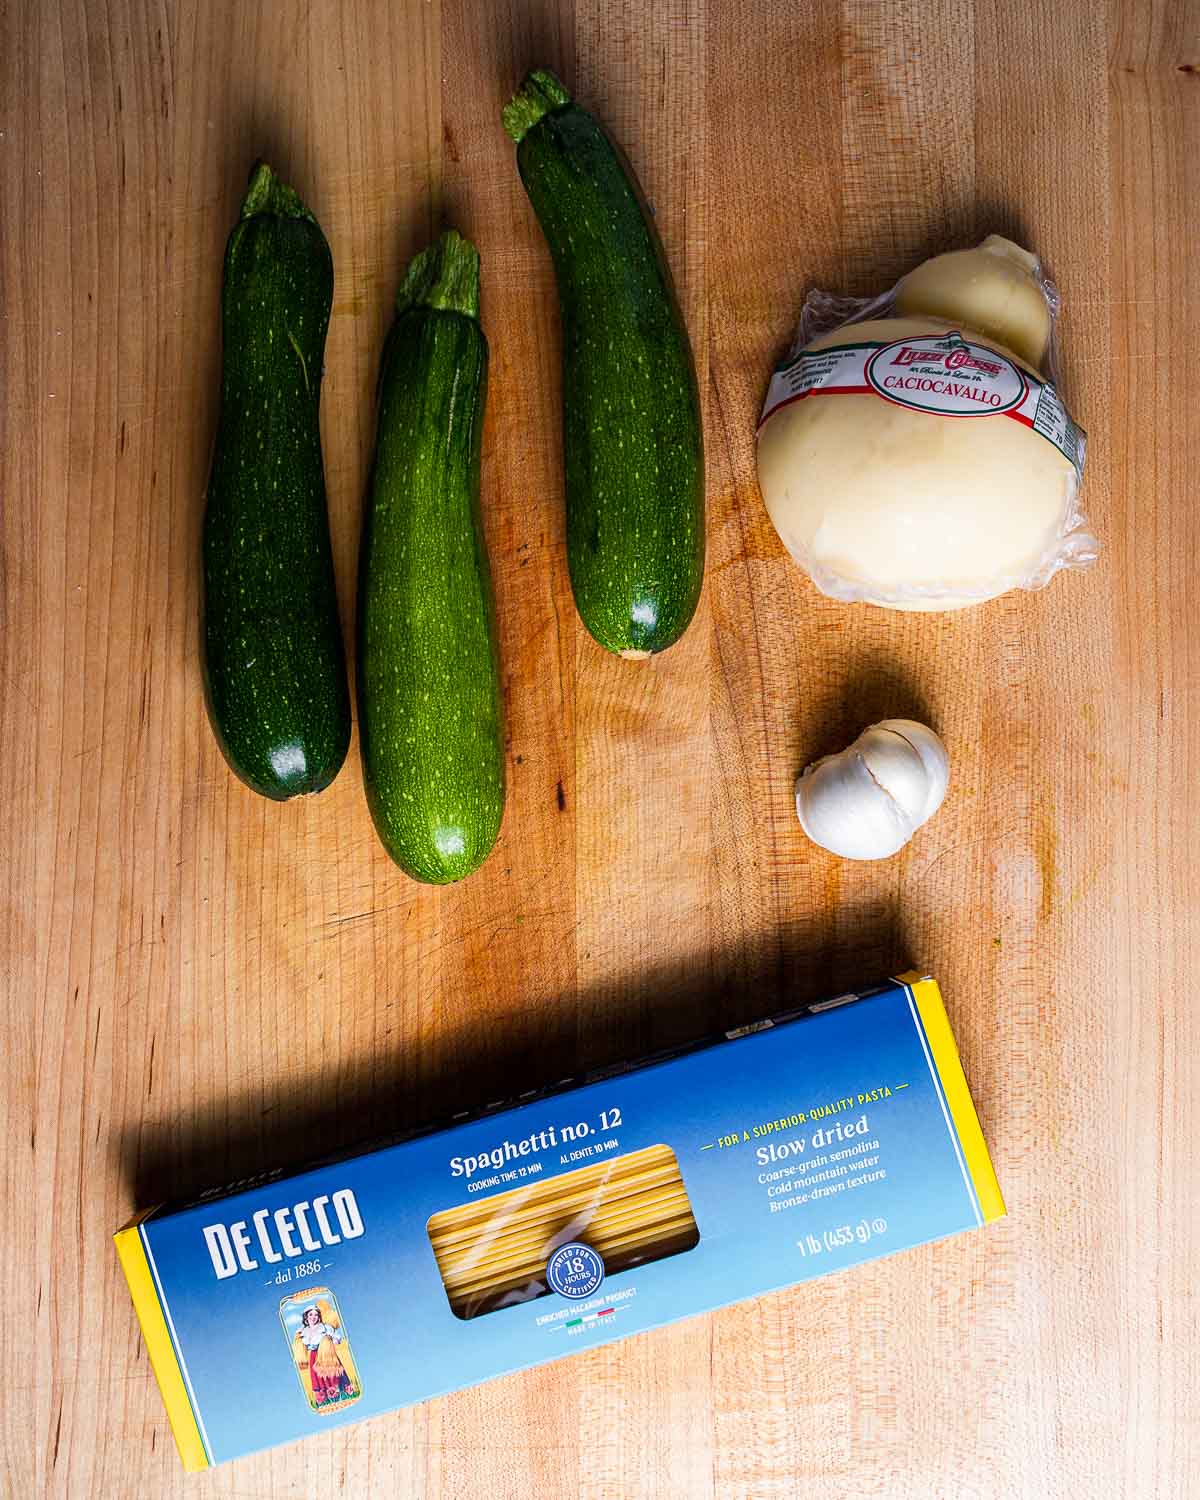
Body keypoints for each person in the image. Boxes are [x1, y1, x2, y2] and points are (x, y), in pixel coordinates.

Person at [295, 1305, 354, 1406]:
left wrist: (331, 1341)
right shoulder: (303, 1332)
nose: (313, 1317)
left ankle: (339, 1395)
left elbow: (337, 1337)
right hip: (314, 1357)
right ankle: (324, 1400)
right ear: (306, 1317)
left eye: (316, 1315)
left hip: (327, 1356)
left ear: (319, 1317)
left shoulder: (325, 1327)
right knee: (318, 1379)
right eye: (311, 1314)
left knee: (332, 1376)